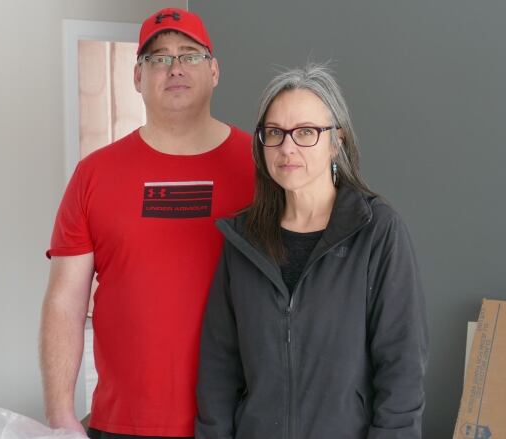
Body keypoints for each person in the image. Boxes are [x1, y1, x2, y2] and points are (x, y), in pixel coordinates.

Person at [40, 7, 254, 439]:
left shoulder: (260, 168)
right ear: (137, 77)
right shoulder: (94, 174)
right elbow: (65, 300)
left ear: (214, 70)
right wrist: (61, 415)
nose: (174, 67)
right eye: (158, 58)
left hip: (240, 417)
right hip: (124, 423)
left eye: (189, 55)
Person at [195, 64, 428, 439]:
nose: (287, 147)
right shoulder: (242, 239)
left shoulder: (378, 232)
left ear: (337, 141)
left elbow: (401, 370)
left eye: (306, 132)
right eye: (275, 133)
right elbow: (218, 367)